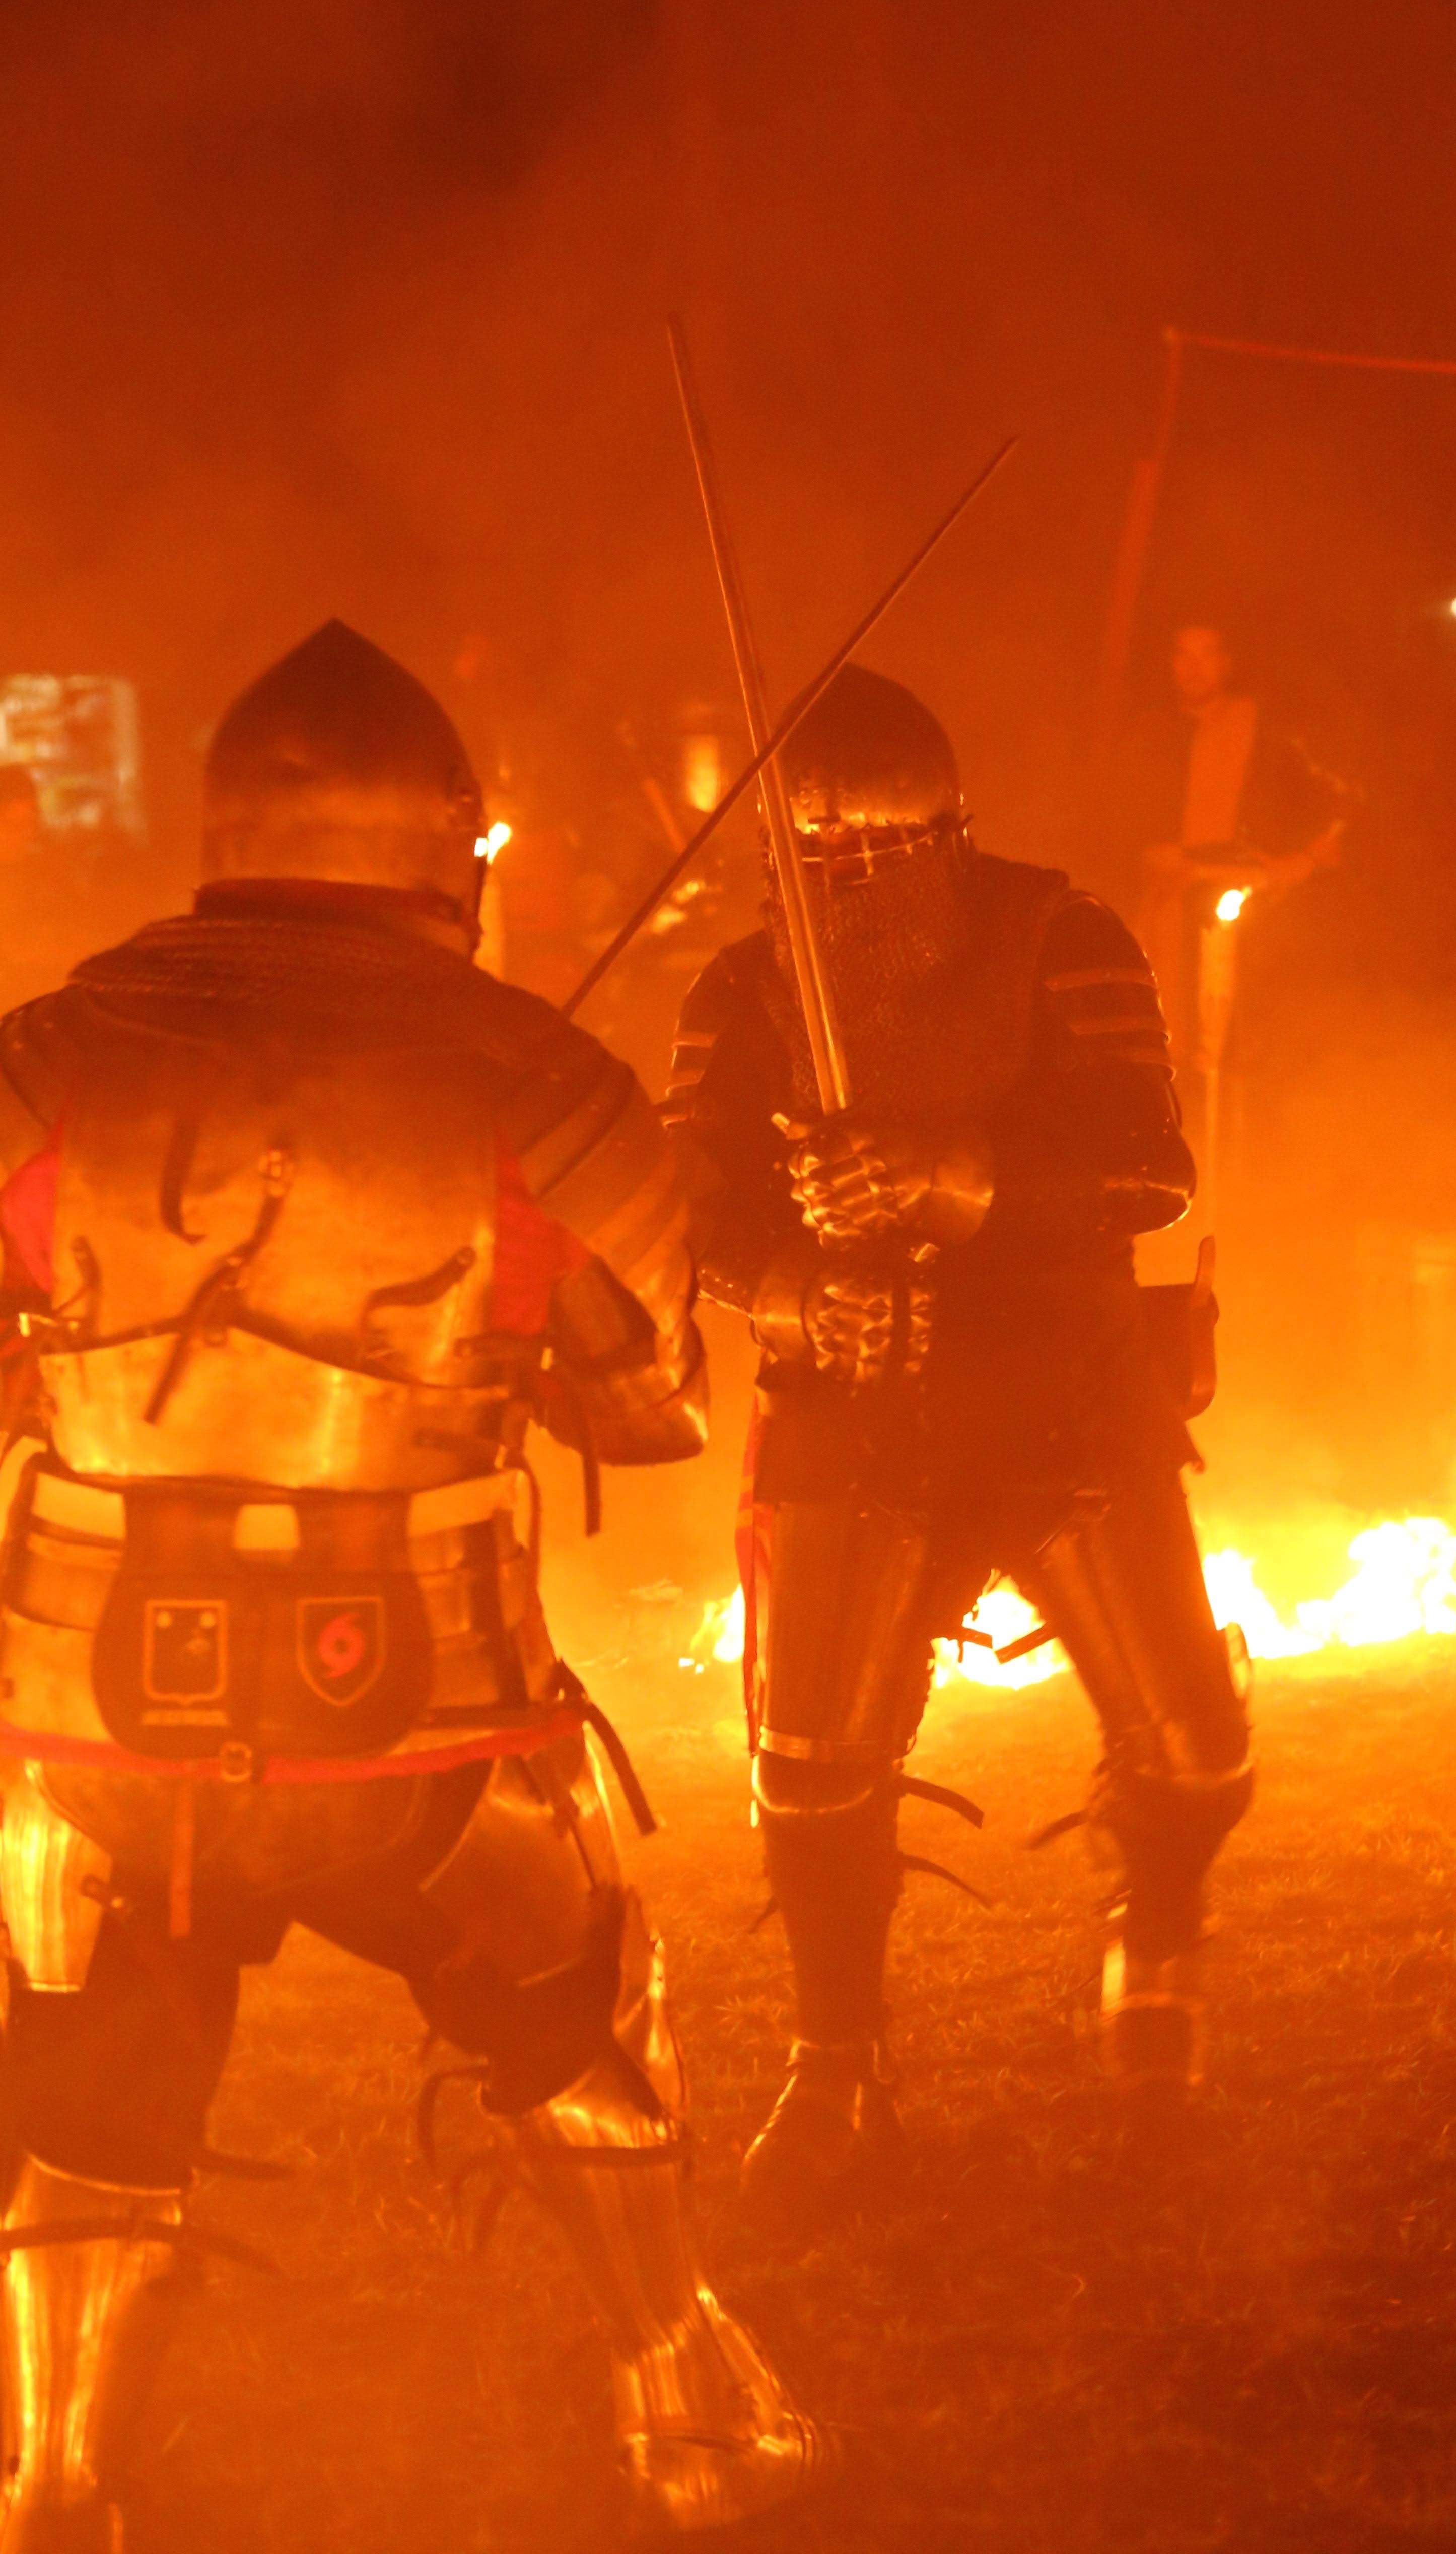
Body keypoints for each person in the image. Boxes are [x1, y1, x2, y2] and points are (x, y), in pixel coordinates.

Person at [0, 623, 824, 2546]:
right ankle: (687, 2402)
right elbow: (650, 1415)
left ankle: (57, 2477)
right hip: (424, 1715)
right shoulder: (541, 1087)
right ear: (449, 846)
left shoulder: (36, 1061)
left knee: (91, 2091)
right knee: (586, 2024)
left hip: (87, 1712)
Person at [664, 666, 1254, 2226]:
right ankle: (836, 2054)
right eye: (819, 864)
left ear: (947, 836)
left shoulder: (1066, 940)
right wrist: (785, 1284)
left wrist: (957, 1172)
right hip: (856, 1409)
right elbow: (686, 1206)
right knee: (810, 1777)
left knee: (1193, 1744)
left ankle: (1161, 1927)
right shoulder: (741, 991)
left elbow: (1146, 1167)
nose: (850, 896)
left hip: (1066, 1387)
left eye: (880, 859)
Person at [1132, 626, 1345, 1069]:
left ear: (1227, 662)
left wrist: (1298, 862)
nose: (1194, 669)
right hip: (1172, 908)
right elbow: (1122, 822)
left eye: (1207, 654)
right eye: (1183, 656)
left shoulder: (1266, 729)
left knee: (1244, 1041)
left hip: (1248, 906)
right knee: (1174, 1040)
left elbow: (1337, 802)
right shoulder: (1151, 736)